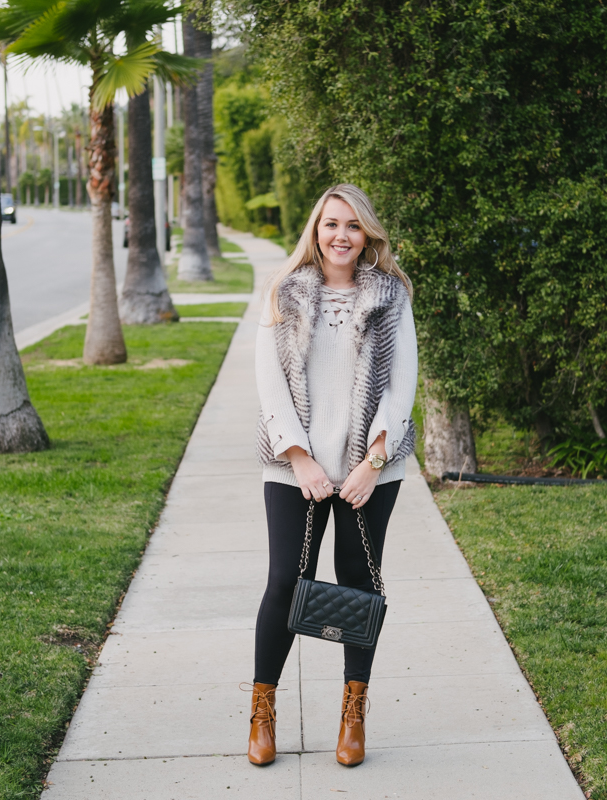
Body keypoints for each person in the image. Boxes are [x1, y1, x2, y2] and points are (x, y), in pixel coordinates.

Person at [247, 184, 417, 767]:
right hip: (294, 468)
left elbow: (401, 387)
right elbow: (269, 386)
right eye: (330, 224)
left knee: (358, 582)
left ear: (366, 233)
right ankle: (262, 711)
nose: (340, 235)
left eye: (351, 225)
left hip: (372, 469)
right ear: (315, 231)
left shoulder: (392, 296)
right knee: (285, 584)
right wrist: (301, 460)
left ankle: (353, 714)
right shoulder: (284, 293)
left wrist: (373, 463)